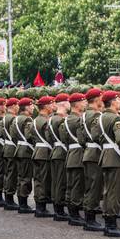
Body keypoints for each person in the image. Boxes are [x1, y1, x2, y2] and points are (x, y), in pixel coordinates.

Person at [95, 90, 120, 237]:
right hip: (115, 157)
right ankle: (111, 225)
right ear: (113, 102)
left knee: (108, 191)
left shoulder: (101, 117)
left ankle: (108, 222)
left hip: (106, 156)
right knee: (114, 193)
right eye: (118, 99)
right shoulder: (115, 119)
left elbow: (96, 136)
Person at [60, 93, 87, 226]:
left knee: (71, 186)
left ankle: (72, 213)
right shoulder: (78, 120)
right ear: (76, 104)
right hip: (78, 154)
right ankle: (75, 215)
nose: (85, 104)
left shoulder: (66, 120)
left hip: (71, 153)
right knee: (77, 185)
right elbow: (83, 138)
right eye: (83, 102)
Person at [30, 96, 55, 218]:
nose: (53, 107)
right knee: (44, 181)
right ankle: (41, 208)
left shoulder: (34, 120)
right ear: (46, 106)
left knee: (38, 180)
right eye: (51, 104)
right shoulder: (45, 121)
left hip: (37, 151)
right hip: (45, 152)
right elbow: (49, 137)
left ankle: (39, 205)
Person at [82, 88, 104, 218]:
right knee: (95, 186)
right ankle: (90, 218)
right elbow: (97, 135)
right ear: (96, 100)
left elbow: (81, 138)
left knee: (90, 184)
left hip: (88, 151)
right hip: (95, 152)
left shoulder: (83, 115)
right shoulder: (96, 115)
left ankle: (89, 211)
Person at [48, 93, 70, 221]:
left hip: (55, 150)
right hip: (61, 151)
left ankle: (58, 208)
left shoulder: (51, 118)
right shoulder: (61, 120)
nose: (69, 104)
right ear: (63, 103)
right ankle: (59, 211)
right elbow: (64, 138)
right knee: (61, 182)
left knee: (56, 181)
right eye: (67, 102)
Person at [12, 97, 36, 214]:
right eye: (31, 106)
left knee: (21, 177)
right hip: (26, 151)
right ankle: (23, 204)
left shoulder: (16, 119)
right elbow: (29, 135)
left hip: (19, 149)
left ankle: (21, 202)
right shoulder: (27, 120)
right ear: (26, 107)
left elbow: (12, 136)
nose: (33, 108)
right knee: (26, 178)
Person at [0, 97, 19, 211]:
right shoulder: (12, 119)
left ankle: (8, 198)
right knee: (12, 174)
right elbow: (15, 135)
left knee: (8, 174)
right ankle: (9, 199)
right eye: (16, 105)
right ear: (12, 106)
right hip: (12, 148)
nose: (18, 107)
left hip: (6, 147)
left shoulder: (4, 118)